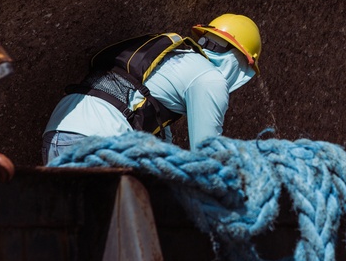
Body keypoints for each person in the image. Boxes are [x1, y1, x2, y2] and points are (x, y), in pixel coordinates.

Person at [42, 13, 262, 164]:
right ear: (242, 62)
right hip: (98, 140)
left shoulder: (170, 60)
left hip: (57, 134)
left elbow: (161, 142)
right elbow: (207, 156)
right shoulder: (210, 78)